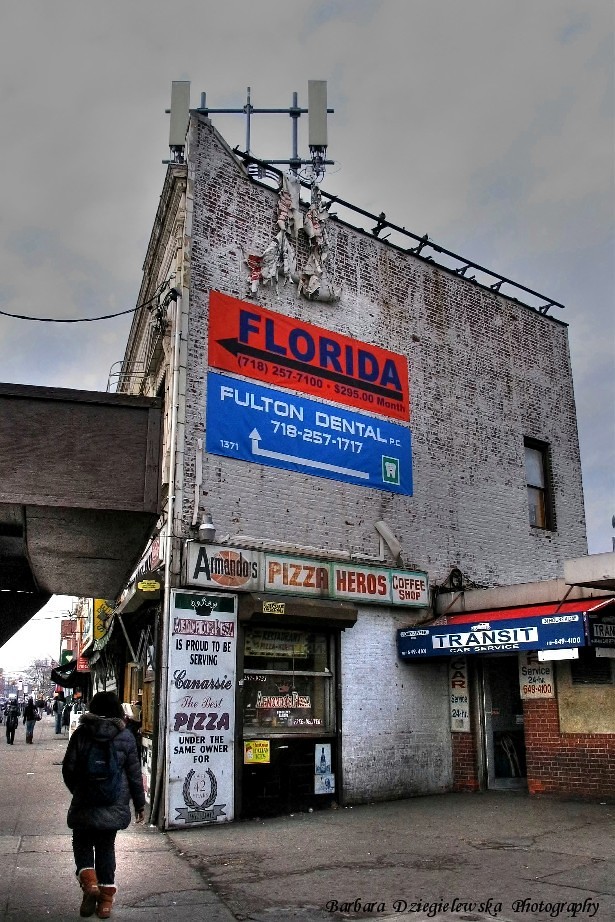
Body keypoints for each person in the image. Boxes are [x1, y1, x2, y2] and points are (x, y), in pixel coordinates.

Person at [62, 691, 146, 919]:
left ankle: (89, 884)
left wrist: (79, 790)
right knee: (106, 847)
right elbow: (134, 775)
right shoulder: (126, 737)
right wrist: (139, 804)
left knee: (81, 842)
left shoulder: (81, 733)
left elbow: (68, 769)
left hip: (85, 800)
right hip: (114, 803)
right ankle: (106, 903)